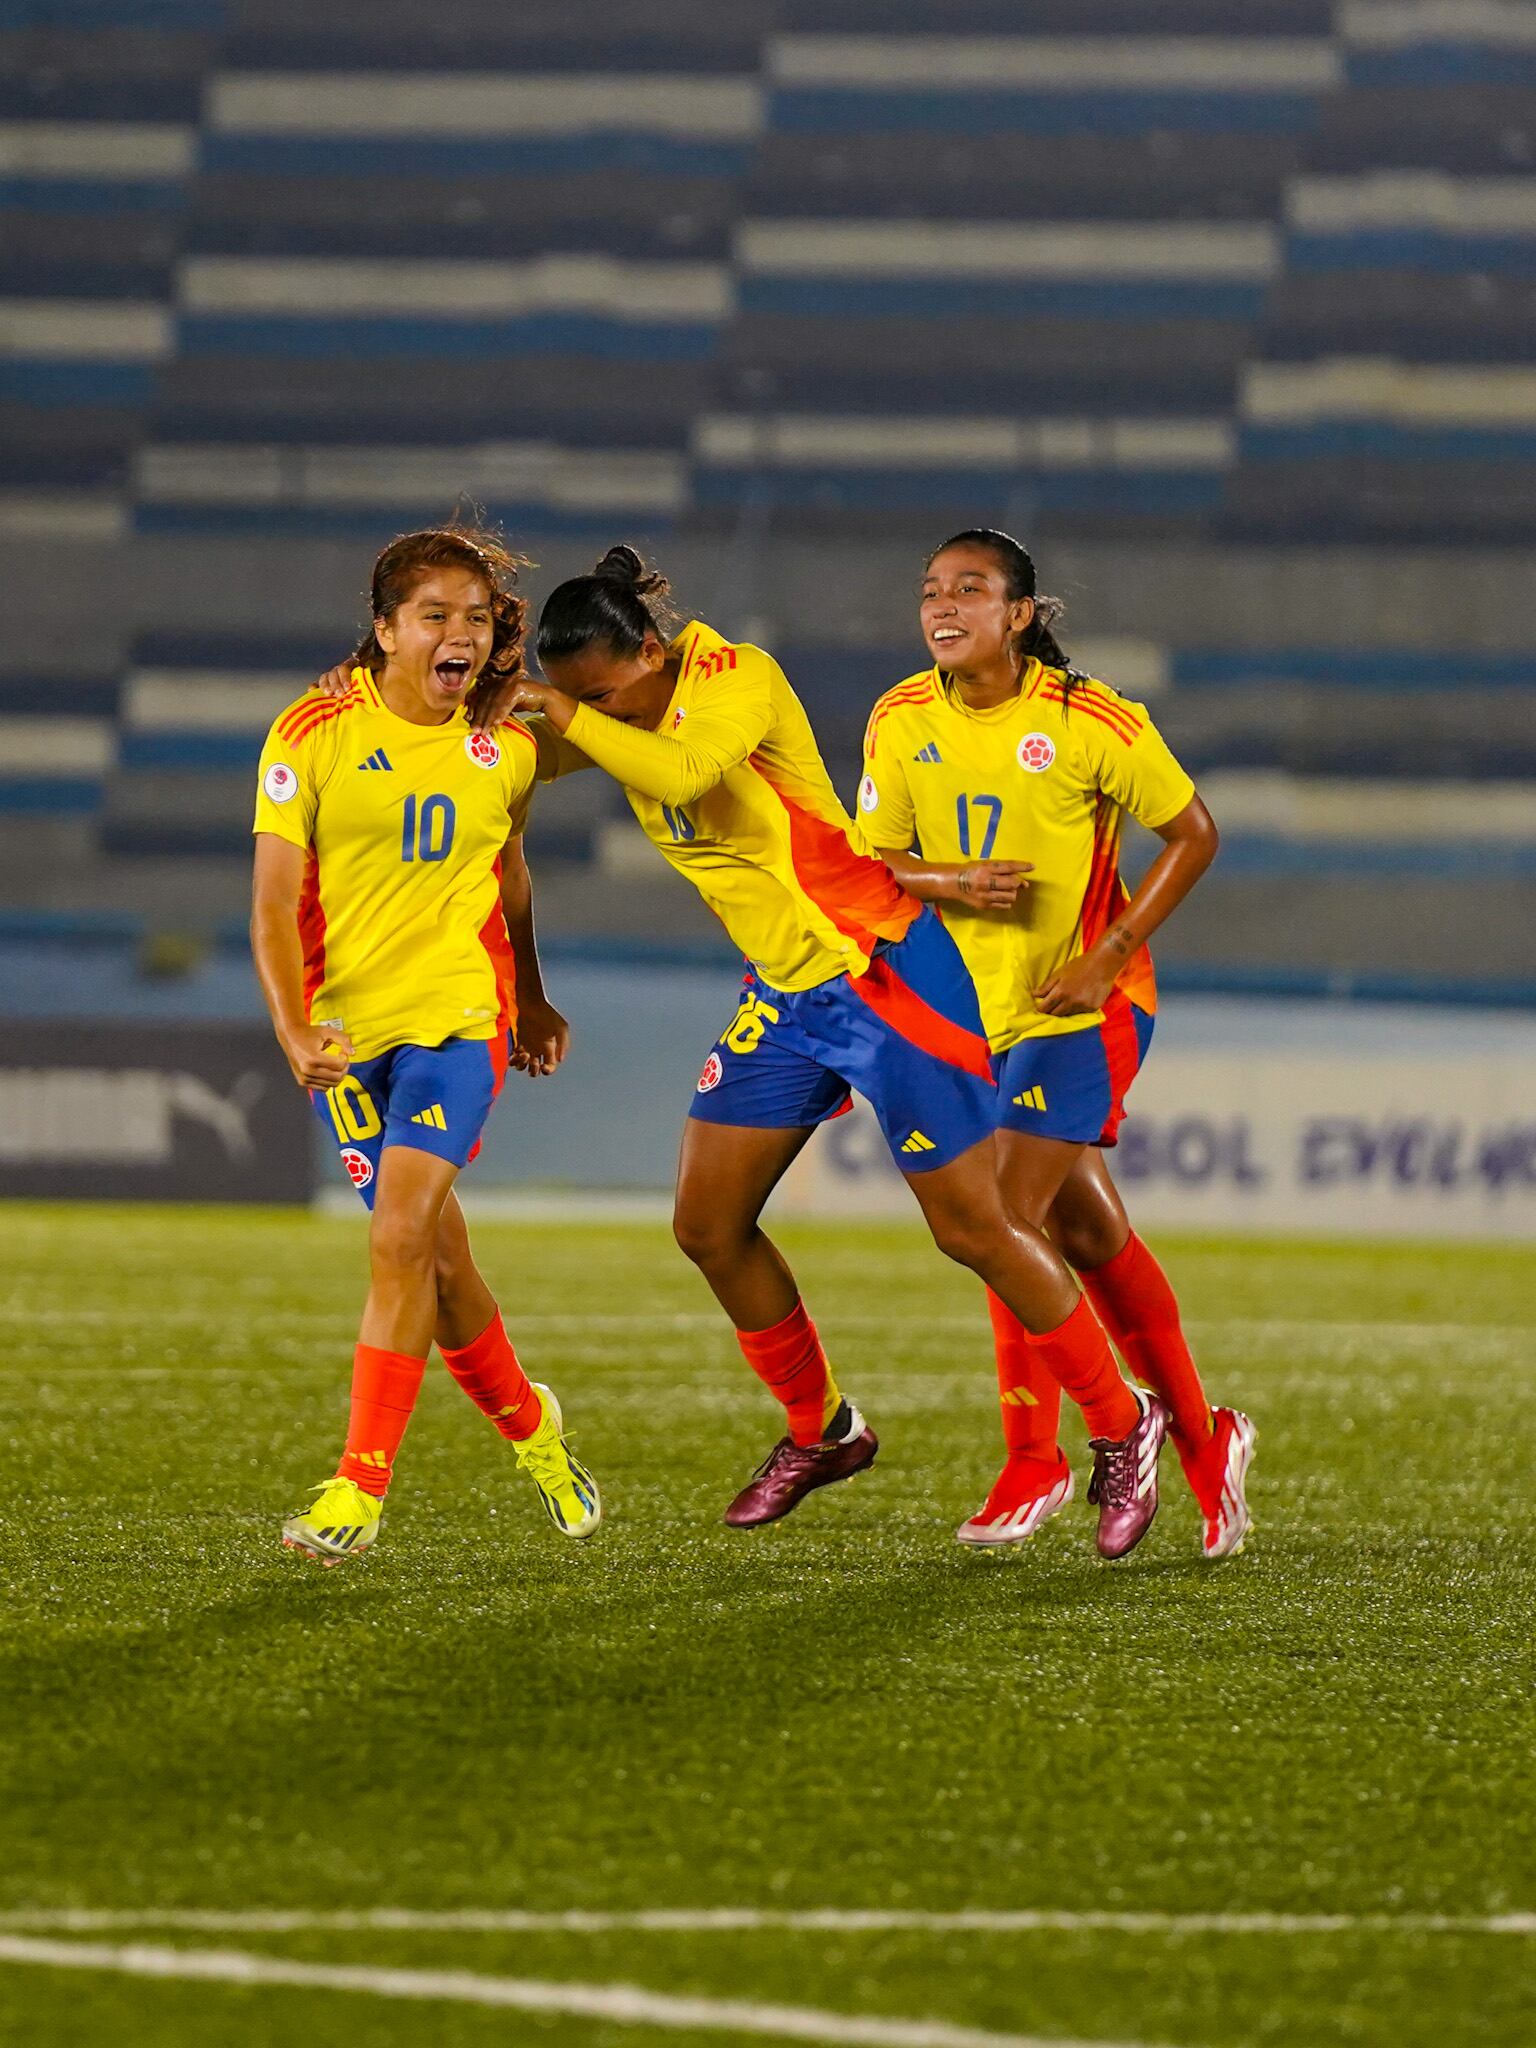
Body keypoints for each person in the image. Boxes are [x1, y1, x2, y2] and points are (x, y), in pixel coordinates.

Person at [490, 545, 1167, 1557]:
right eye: (589, 699)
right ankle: (825, 1429)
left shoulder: (737, 678)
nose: (603, 714)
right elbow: (525, 756)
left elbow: (677, 769)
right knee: (707, 1224)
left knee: (976, 1228)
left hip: (881, 969)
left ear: (652, 650)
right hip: (784, 991)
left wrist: (557, 709)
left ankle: (1124, 1423)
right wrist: (442, 700)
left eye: (609, 693)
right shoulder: (622, 710)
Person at [859, 528, 1254, 1560]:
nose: (944, 606)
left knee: (999, 1214)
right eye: (931, 589)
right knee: (1088, 1239)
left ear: (1020, 613)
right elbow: (880, 861)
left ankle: (1039, 1455)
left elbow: (1196, 831)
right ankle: (1209, 1442)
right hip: (972, 1018)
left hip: (1088, 1003)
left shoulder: (1089, 719)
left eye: (971, 590)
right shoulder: (900, 719)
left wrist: (1107, 951)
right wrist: (952, 881)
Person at [251, 524, 600, 1564]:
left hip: (458, 1018)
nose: (461, 632)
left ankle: (358, 1488)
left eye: (478, 617)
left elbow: (513, 872)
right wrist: (291, 1025)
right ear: (384, 629)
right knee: (439, 1268)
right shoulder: (312, 731)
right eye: (435, 615)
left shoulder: (507, 744)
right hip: (348, 1034)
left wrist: (529, 997)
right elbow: (272, 902)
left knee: (400, 1234)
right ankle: (536, 1429)